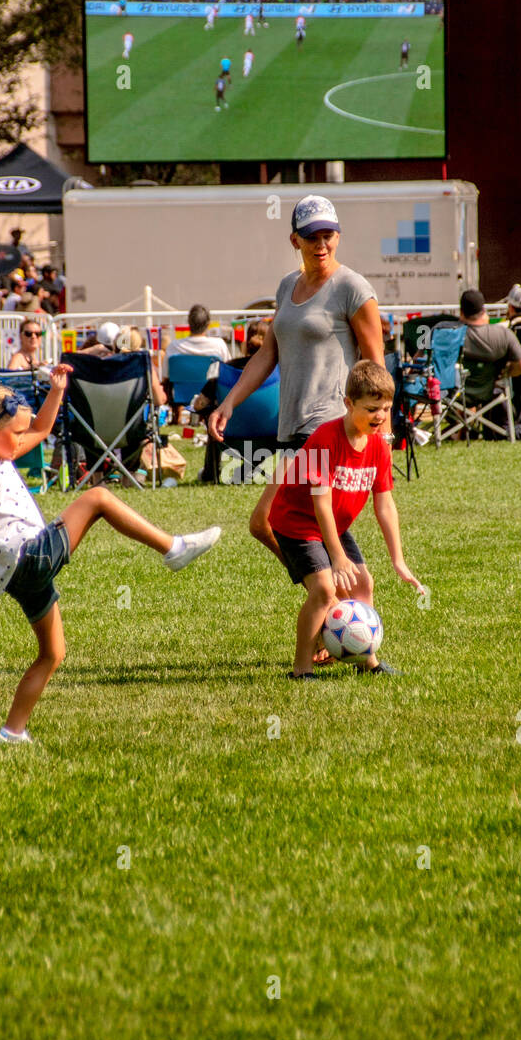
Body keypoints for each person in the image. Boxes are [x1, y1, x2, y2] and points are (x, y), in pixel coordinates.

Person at [0, 375, 221, 744]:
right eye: (16, 434)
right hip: (29, 557)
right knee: (97, 498)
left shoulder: (3, 451)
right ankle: (172, 548)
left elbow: (44, 427)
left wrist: (58, 390)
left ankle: (11, 731)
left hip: (21, 575)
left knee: (53, 653)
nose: (21, 441)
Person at [209, 194, 384, 574]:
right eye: (312, 237)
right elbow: (266, 354)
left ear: (338, 236)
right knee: (278, 523)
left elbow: (376, 365)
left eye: (328, 235)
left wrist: (378, 428)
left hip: (327, 425)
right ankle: (340, 600)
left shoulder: (353, 288)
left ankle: (338, 599)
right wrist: (229, 403)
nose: (322, 245)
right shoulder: (287, 286)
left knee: (278, 521)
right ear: (295, 241)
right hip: (291, 428)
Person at [269, 360, 423, 679]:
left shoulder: (379, 445)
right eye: (371, 409)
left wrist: (399, 560)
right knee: (325, 590)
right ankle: (301, 669)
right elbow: (320, 503)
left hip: (333, 526)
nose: (379, 417)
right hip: (296, 523)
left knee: (363, 582)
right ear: (348, 404)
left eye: (385, 408)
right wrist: (337, 556)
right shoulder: (326, 438)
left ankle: (367, 661)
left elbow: (385, 505)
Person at [193, 318, 271, 483]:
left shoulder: (225, 370)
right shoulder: (278, 372)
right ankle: (244, 472)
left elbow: (199, 404)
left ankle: (210, 473)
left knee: (212, 416)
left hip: (228, 434)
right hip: (271, 436)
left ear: (245, 342)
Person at [459, 288, 521, 438]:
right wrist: (507, 373)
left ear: (461, 312)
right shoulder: (504, 334)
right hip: (491, 390)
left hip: (457, 393)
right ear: (483, 310)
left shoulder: (451, 336)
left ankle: (458, 430)